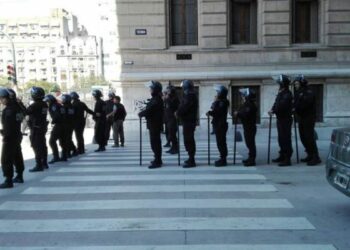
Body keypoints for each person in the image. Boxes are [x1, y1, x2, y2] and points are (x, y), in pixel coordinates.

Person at [294, 75, 321, 166]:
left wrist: (296, 108)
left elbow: (306, 104)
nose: (295, 85)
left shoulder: (309, 91)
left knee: (309, 137)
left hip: (308, 118)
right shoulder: (299, 92)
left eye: (297, 83)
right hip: (301, 117)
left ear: (302, 83)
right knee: (303, 137)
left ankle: (315, 157)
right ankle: (309, 154)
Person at [0, 88, 24, 188]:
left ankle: (8, 180)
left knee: (6, 158)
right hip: (17, 135)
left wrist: (4, 133)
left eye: (2, 98)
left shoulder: (9, 110)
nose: (1, 100)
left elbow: (9, 126)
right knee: (17, 156)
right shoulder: (17, 108)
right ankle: (19, 175)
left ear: (7, 98)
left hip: (10, 138)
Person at [269, 74, 293, 167]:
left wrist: (274, 110)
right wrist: (272, 109)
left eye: (279, 83)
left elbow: (282, 105)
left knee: (286, 138)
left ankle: (287, 158)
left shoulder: (287, 94)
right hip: (280, 118)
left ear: (283, 84)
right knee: (281, 138)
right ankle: (282, 155)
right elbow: (276, 103)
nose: (278, 85)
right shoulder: (281, 93)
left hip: (286, 119)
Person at [138, 81, 164, 169]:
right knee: (154, 143)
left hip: (155, 124)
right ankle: (157, 158)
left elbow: (150, 110)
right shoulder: (155, 98)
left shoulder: (157, 99)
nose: (150, 90)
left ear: (155, 90)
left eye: (151, 89)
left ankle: (158, 161)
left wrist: (141, 113)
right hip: (153, 124)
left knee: (155, 143)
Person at [176, 80, 198, 168]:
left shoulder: (190, 96)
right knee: (188, 140)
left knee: (189, 140)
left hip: (189, 121)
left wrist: (178, 112)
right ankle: (190, 158)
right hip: (187, 121)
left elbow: (185, 107)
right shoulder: (189, 95)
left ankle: (192, 160)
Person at [26, 87, 49, 172]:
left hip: (36, 128)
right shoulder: (44, 104)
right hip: (42, 127)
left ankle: (39, 164)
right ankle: (44, 163)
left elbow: (26, 112)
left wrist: (19, 103)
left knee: (36, 146)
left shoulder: (35, 105)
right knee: (43, 145)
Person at [207, 85, 229, 167]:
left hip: (221, 125)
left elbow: (216, 111)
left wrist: (215, 102)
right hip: (218, 124)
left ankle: (223, 159)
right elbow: (214, 110)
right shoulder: (221, 101)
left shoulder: (223, 102)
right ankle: (222, 157)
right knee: (220, 142)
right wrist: (210, 112)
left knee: (221, 142)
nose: (216, 94)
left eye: (217, 92)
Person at [235, 88, 258, 167]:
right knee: (249, 143)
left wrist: (238, 114)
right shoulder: (247, 103)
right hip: (247, 126)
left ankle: (252, 160)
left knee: (250, 143)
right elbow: (243, 111)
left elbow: (245, 114)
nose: (242, 96)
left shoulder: (250, 105)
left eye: (244, 95)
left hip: (250, 126)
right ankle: (250, 157)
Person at [44, 94, 67, 163]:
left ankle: (56, 156)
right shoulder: (59, 105)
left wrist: (53, 121)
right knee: (62, 141)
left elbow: (57, 115)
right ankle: (64, 156)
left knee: (52, 141)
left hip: (58, 125)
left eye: (47, 101)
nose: (47, 103)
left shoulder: (53, 106)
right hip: (64, 124)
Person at [164, 85, 179, 154]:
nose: (167, 91)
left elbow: (173, 107)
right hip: (168, 118)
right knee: (170, 133)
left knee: (173, 134)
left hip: (172, 118)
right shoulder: (168, 97)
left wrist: (167, 98)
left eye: (168, 90)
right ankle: (172, 147)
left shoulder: (175, 98)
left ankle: (175, 148)